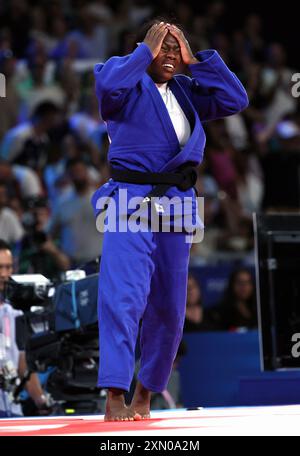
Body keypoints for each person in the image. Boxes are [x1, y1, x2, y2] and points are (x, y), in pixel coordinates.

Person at [92, 19, 248, 421]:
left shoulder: (187, 90)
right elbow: (108, 88)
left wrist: (195, 61)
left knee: (169, 305)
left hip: (177, 204)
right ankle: (114, 394)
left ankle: (146, 391)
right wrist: (145, 49)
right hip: (129, 200)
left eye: (175, 50)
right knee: (123, 297)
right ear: (143, 48)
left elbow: (235, 99)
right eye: (163, 48)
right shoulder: (121, 83)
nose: (170, 55)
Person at [0, 239, 49, 417]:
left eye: (8, 267)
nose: (5, 274)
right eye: (0, 267)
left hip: (13, 411)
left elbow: (23, 364)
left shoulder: (15, 312)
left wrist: (41, 400)